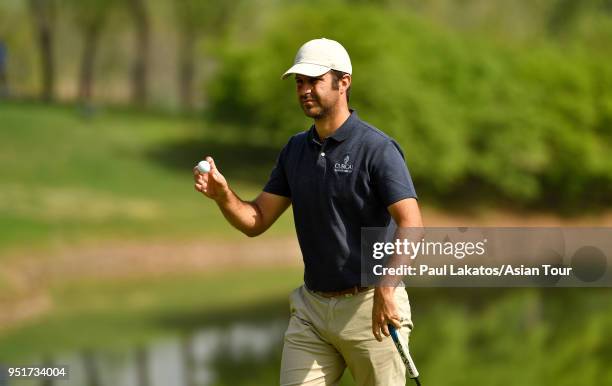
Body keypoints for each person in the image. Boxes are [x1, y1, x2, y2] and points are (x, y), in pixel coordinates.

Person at [194, 38, 423, 386]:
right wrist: (224, 196)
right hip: (312, 311)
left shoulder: (377, 149)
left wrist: (387, 289)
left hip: (370, 305)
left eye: (313, 80)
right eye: (299, 82)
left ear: (343, 81)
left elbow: (412, 223)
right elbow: (256, 220)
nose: (304, 90)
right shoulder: (295, 150)